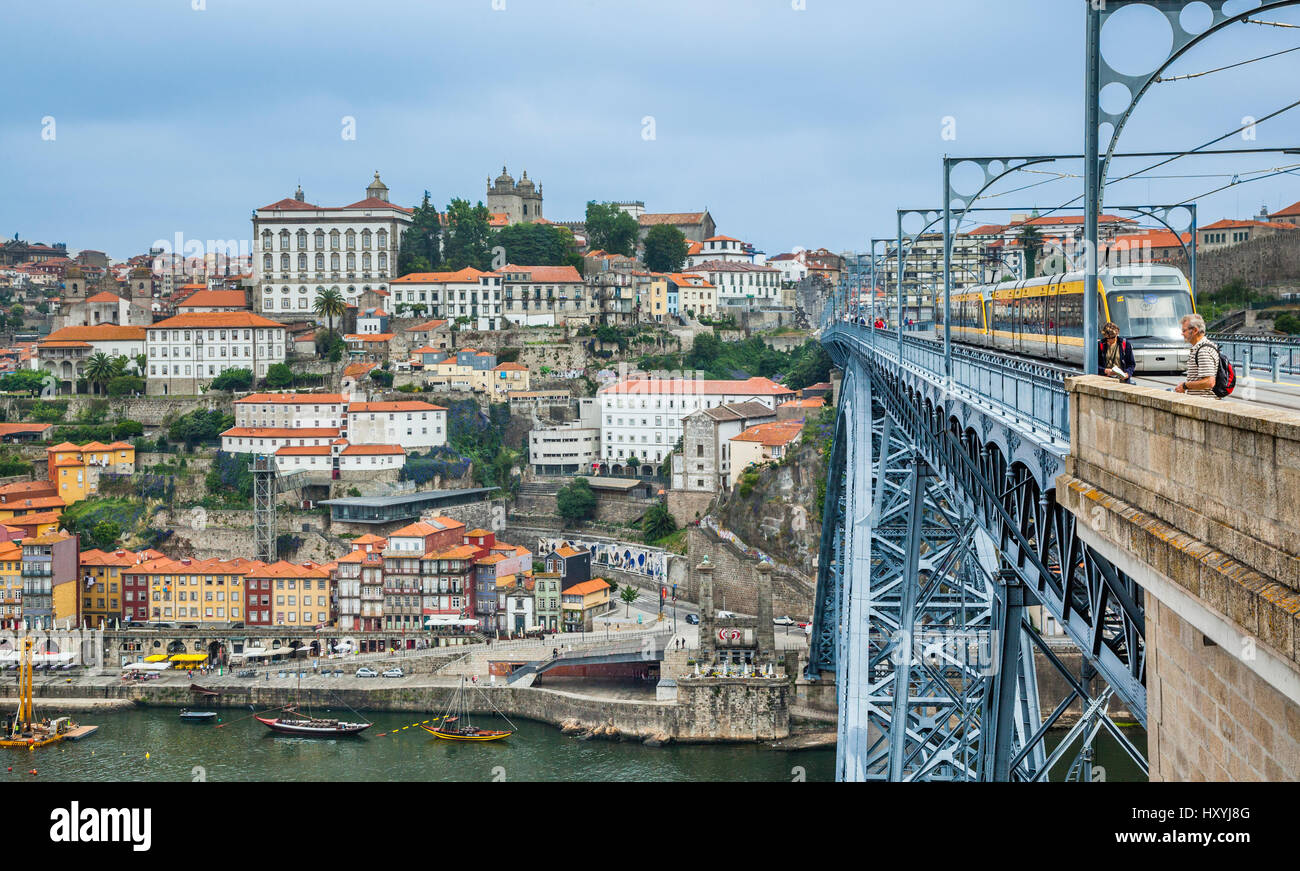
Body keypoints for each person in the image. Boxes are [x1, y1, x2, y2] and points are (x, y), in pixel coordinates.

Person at [1174, 313, 1220, 398]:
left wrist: (1185, 386)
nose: (1182, 334)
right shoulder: (1201, 347)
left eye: (1184, 330)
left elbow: (1209, 382)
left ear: (1195, 330)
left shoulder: (1203, 351)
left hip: (1204, 402)